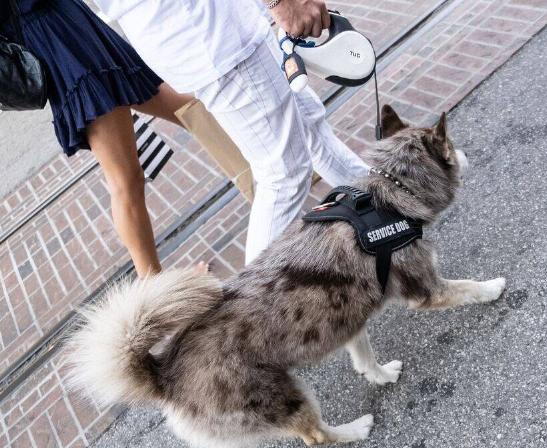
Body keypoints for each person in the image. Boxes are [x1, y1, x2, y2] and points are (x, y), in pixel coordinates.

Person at [92, 0, 370, 264]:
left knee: (310, 128)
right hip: (212, 31)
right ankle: (257, 310)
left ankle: (395, 217)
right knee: (284, 173)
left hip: (197, 30)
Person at [0, 0, 195, 277]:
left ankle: (261, 172)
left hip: (73, 27)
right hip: (58, 45)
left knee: (182, 107)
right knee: (126, 181)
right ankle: (156, 298)